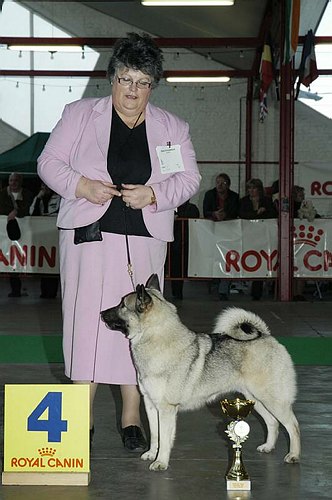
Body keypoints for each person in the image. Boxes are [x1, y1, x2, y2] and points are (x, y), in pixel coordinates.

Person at [37, 32, 201, 452]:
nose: (133, 90)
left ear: (153, 87)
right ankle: (80, 414)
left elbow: (188, 179)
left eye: (143, 82)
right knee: (86, 322)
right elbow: (48, 162)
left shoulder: (173, 128)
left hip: (145, 237)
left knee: (142, 329)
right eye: (127, 79)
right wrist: (80, 185)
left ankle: (131, 416)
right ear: (112, 78)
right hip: (90, 236)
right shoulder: (79, 115)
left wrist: (155, 194)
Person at [238, 178, 277, 300]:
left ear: (259, 190)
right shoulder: (244, 201)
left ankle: (257, 291)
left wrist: (263, 211)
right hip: (247, 235)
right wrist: (257, 213)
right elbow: (242, 214)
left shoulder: (267, 200)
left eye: (254, 188)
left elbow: (272, 215)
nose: (251, 191)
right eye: (249, 188)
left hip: (263, 236)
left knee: (260, 262)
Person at [203, 173, 239, 300]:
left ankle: (223, 289)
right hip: (212, 231)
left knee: (227, 258)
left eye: (223, 183)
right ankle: (216, 282)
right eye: (218, 182)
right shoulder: (209, 195)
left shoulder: (234, 196)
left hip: (229, 232)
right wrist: (214, 214)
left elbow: (237, 212)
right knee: (214, 257)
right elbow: (205, 211)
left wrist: (225, 216)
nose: (219, 185)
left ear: (228, 185)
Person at [0, 172, 34, 297]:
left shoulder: (28, 194)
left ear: (20, 182)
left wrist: (16, 212)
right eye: (11, 181)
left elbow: (29, 208)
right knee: (9, 261)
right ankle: (15, 289)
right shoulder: (2, 194)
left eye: (16, 181)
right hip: (5, 232)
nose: (13, 183)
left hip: (24, 232)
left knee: (22, 258)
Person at [30, 182, 61, 298]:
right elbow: (32, 213)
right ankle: (44, 292)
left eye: (46, 186)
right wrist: (38, 198)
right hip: (42, 237)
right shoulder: (39, 198)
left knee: (54, 263)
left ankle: (52, 292)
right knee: (44, 262)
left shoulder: (59, 198)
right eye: (42, 187)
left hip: (54, 235)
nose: (45, 189)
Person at [169, 200, 200, 300]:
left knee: (179, 268)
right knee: (175, 268)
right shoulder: (170, 206)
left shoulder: (192, 208)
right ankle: (175, 292)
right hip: (171, 242)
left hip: (185, 242)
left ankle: (177, 292)